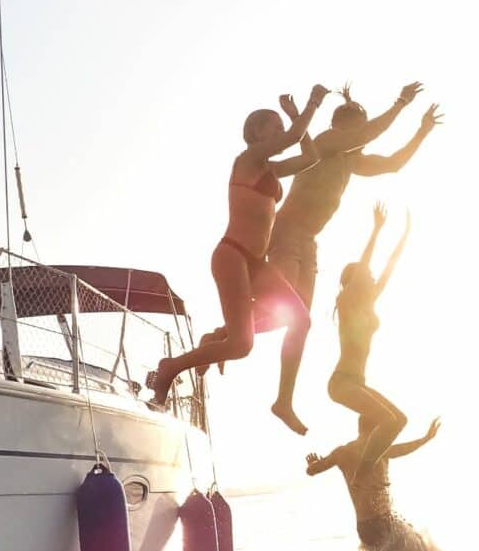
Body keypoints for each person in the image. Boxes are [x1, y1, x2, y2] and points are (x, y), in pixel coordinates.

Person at [266, 83, 443, 434]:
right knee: (280, 310)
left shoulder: (350, 160)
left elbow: (393, 164)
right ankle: (224, 337)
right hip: (286, 232)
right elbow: (372, 131)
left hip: (309, 242)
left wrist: (421, 131)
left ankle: (283, 400)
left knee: (297, 321)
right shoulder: (328, 142)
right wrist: (401, 102)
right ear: (343, 127)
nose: (364, 139)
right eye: (358, 131)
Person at [146, 84, 330, 414]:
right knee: (242, 345)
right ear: (256, 133)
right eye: (274, 125)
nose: (281, 130)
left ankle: (276, 396)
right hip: (232, 255)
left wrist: (294, 116)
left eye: (280, 125)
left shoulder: (270, 169)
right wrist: (312, 104)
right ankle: (170, 368)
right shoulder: (247, 159)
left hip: (257, 263)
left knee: (300, 319)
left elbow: (312, 158)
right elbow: (291, 139)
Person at [328, 201, 411, 474]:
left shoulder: (368, 302)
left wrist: (405, 234)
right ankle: (361, 476)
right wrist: (376, 230)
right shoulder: (347, 300)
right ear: (355, 280)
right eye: (366, 275)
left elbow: (389, 267)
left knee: (399, 420)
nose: (372, 276)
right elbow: (365, 266)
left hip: (357, 382)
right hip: (342, 382)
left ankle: (366, 472)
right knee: (388, 421)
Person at [306, 415, 441, 551]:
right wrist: (426, 438)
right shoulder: (381, 449)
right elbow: (405, 448)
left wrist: (312, 465)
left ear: (359, 428)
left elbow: (311, 471)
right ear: (378, 429)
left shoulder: (341, 452)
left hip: (364, 525)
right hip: (384, 521)